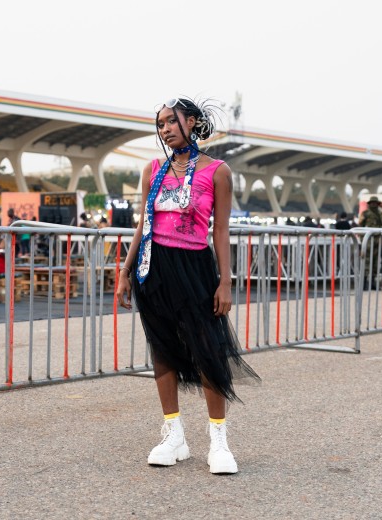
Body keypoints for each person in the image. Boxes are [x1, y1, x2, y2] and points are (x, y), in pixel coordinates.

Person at [116, 97, 261, 475]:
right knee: (162, 350)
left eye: (170, 121)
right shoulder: (152, 170)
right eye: (160, 123)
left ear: (192, 122)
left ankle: (218, 442)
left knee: (208, 351)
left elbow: (222, 231)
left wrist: (225, 282)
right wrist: (125, 271)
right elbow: (142, 225)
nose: (163, 128)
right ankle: (173, 435)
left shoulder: (218, 172)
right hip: (154, 268)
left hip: (195, 268)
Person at [359, 195, 382, 289]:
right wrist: (363, 238)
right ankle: (364, 283)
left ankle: (373, 283)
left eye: (375, 203)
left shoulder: (381, 214)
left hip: (378, 240)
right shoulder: (365, 213)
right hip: (369, 240)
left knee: (375, 262)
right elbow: (360, 226)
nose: (374, 205)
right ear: (370, 204)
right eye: (372, 203)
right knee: (366, 261)